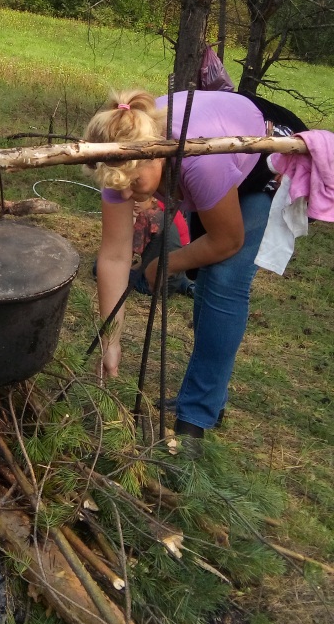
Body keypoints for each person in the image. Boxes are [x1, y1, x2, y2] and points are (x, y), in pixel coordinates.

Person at [84, 87, 305, 446]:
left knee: (224, 278)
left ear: (156, 159)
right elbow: (113, 256)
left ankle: (194, 421)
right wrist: (110, 339)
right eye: (117, 189)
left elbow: (226, 240)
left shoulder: (198, 162)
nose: (126, 196)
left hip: (264, 154)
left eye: (133, 185)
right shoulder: (119, 154)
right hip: (207, 159)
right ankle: (208, 395)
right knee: (205, 274)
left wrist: (164, 265)